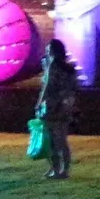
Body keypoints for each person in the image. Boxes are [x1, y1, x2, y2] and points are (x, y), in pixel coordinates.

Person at [36, 40, 79, 179]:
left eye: (48, 50)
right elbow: (73, 88)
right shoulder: (70, 68)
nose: (47, 53)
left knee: (52, 140)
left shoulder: (53, 65)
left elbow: (47, 87)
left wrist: (38, 103)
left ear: (53, 51)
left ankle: (55, 169)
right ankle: (64, 170)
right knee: (62, 140)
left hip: (52, 106)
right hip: (65, 106)